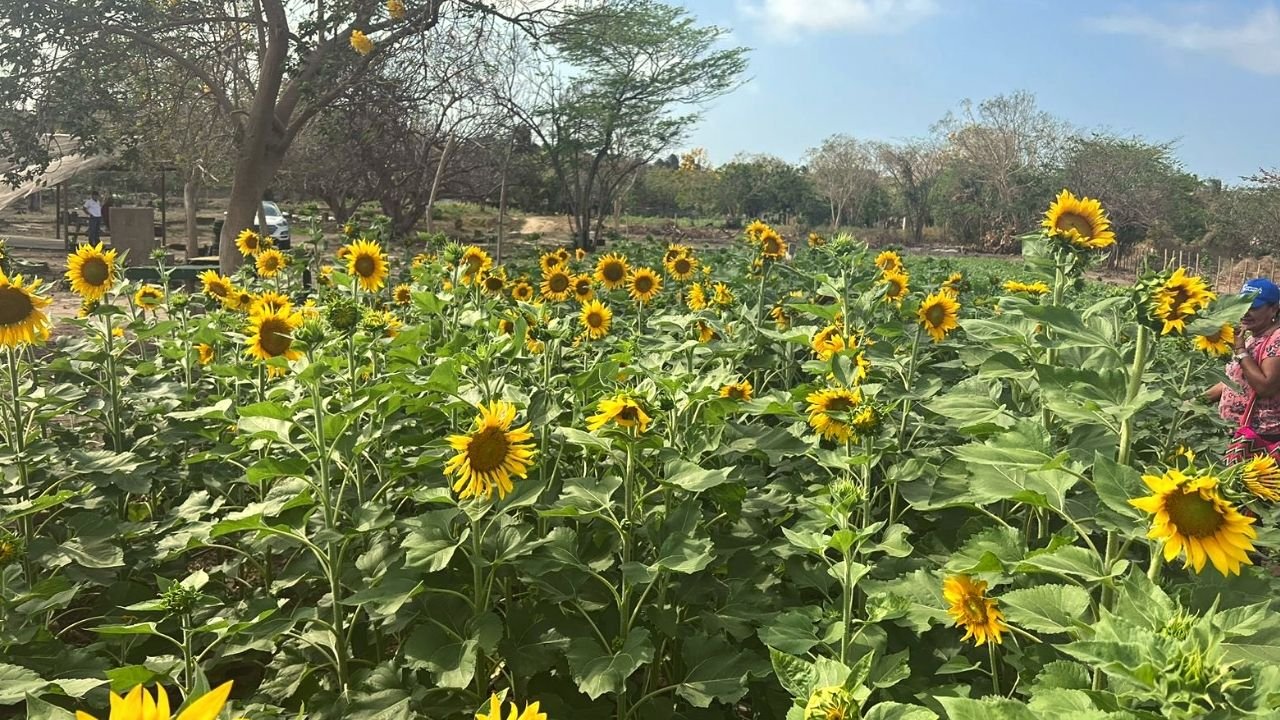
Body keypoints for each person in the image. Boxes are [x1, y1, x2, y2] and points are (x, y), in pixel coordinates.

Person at [1207, 278, 1280, 463]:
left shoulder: (1277, 339)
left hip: (1262, 437)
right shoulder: (1253, 337)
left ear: (1274, 308)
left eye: (1254, 307)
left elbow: (1265, 386)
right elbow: (1235, 382)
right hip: (1239, 433)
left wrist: (1240, 351)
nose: (1245, 312)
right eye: (1243, 305)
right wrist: (1193, 403)